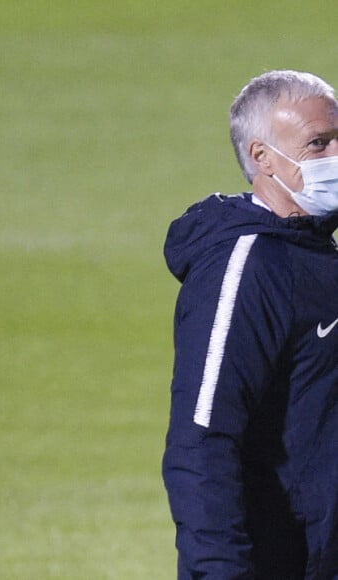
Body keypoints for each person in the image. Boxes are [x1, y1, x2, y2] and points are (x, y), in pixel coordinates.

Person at [162, 69, 338, 579]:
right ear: (262, 157)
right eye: (318, 144)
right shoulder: (245, 268)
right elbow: (202, 440)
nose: (335, 158)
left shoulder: (318, 256)